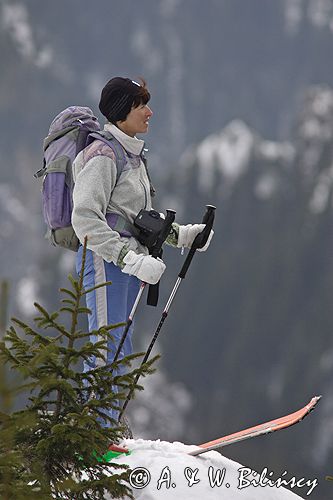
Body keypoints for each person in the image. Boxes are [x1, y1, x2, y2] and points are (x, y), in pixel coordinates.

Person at [71, 77, 213, 426]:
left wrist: (181, 236)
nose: (150, 112)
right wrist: (127, 259)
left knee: (119, 345)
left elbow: (137, 221)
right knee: (106, 346)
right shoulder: (103, 154)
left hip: (129, 266)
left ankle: (104, 428)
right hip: (106, 263)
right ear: (122, 111)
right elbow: (85, 218)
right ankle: (93, 434)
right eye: (141, 106)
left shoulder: (131, 155)